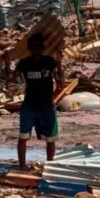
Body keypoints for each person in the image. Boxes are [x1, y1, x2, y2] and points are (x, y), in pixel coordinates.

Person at [10, 33, 64, 169]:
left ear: (42, 47)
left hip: (47, 104)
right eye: (32, 46)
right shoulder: (24, 63)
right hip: (29, 105)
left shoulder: (49, 62)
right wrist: (6, 61)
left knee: (50, 139)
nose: (35, 49)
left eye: (37, 46)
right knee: (23, 137)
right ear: (29, 48)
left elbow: (60, 82)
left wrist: (59, 64)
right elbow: (11, 80)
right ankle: (22, 165)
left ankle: (50, 166)